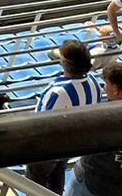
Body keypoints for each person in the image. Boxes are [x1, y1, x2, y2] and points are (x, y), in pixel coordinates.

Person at [30, 39, 105, 190]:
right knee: (57, 177)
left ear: (64, 62)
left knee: (35, 185)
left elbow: (41, 125)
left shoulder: (57, 92)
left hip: (48, 149)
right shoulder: (93, 82)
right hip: (70, 144)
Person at [70, 62, 122, 196]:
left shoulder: (103, 116)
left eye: (106, 84)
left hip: (91, 181)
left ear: (115, 89)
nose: (104, 88)